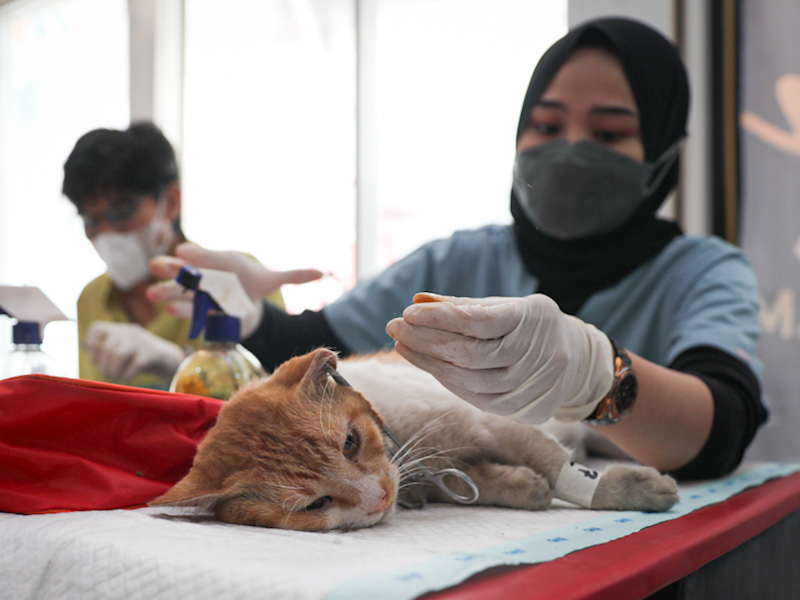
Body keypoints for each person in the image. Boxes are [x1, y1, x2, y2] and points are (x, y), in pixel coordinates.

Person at [149, 18, 767, 479]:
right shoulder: (458, 262)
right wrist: (250, 317)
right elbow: (321, 357)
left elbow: (720, 429)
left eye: (608, 132)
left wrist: (594, 376)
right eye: (547, 126)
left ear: (662, 155)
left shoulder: (704, 272)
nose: (571, 148)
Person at [62, 122, 320, 389]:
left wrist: (180, 365)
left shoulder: (234, 282)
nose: (106, 233)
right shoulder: (91, 299)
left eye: (121, 211)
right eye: (91, 220)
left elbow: (279, 406)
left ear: (171, 202)